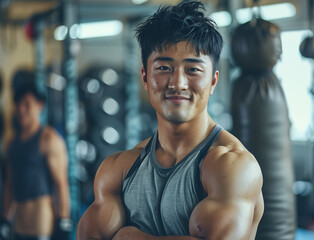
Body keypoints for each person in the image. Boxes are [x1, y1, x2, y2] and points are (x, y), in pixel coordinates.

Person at [77, 1, 264, 239]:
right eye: (164, 67)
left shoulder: (233, 166)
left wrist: (132, 237)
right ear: (145, 78)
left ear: (213, 81)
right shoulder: (119, 169)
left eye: (193, 70)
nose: (177, 83)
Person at [1, 79, 73, 240]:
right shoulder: (11, 144)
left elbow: (61, 184)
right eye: (18, 104)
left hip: (42, 226)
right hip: (18, 226)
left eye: (27, 104)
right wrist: (5, 219)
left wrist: (64, 220)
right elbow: (9, 185)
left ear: (40, 105)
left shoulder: (49, 139)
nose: (21, 109)